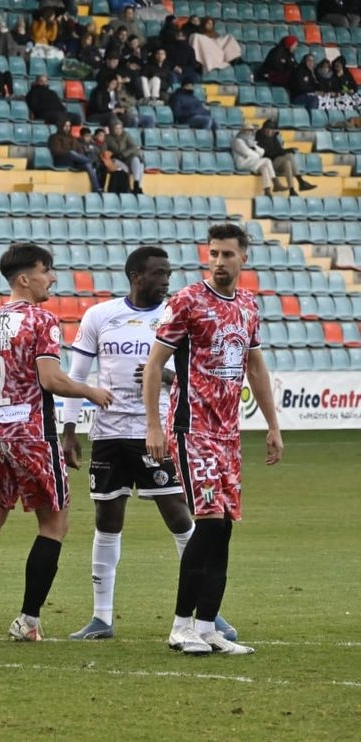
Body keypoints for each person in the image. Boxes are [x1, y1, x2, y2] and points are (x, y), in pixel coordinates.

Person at [61, 246, 236, 641]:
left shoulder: (178, 315)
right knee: (107, 520)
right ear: (136, 276)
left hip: (156, 432)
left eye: (168, 274)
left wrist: (165, 376)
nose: (166, 281)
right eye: (158, 274)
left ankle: (208, 613)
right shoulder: (100, 316)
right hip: (109, 434)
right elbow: (77, 376)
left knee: (180, 516)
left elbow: (200, 374)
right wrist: (68, 430)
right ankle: (101, 618)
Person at [0, 243, 113, 643]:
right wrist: (90, 391)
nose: (51, 277)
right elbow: (50, 380)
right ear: (24, 279)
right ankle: (28, 621)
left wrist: (8, 400)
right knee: (54, 524)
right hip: (34, 433)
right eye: (45, 270)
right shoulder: (42, 320)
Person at [143, 224, 284, 656]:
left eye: (227, 254)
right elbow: (155, 365)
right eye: (214, 254)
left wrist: (273, 426)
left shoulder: (247, 305)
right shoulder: (187, 301)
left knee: (223, 528)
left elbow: (255, 367)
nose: (219, 262)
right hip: (192, 428)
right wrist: (154, 426)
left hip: (227, 434)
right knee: (207, 522)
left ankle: (207, 627)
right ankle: (180, 625)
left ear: (244, 258)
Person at [256, 119, 316, 196]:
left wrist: (287, 150)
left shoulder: (273, 137)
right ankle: (301, 182)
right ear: (263, 129)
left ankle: (292, 190)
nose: (270, 131)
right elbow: (267, 154)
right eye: (268, 129)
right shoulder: (259, 138)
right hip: (269, 164)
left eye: (271, 129)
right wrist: (285, 151)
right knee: (289, 155)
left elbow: (279, 150)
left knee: (288, 162)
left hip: (277, 163)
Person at [231, 124, 276, 196]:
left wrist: (254, 148)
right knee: (267, 160)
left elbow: (262, 152)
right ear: (243, 131)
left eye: (251, 131)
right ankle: (275, 182)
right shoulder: (237, 141)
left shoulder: (250, 142)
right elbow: (247, 152)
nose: (251, 132)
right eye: (249, 130)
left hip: (252, 162)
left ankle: (267, 190)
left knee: (264, 167)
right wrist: (255, 153)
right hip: (243, 163)